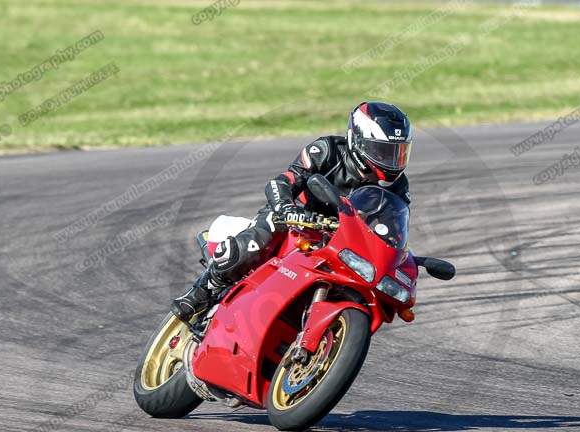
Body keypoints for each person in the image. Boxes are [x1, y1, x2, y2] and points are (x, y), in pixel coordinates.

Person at [171, 101, 413, 320]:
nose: (392, 161)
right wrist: (287, 209)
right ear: (358, 141)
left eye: (398, 152)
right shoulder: (327, 150)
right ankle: (202, 291)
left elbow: (394, 230)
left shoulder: (399, 185)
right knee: (255, 244)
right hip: (295, 219)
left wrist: (400, 257)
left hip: (342, 241)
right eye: (383, 152)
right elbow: (282, 182)